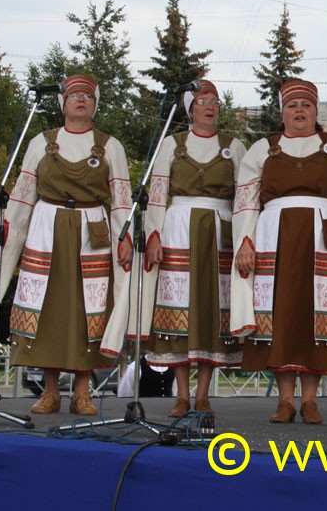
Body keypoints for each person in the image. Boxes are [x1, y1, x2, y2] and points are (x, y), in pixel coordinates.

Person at [0, 74, 132, 415]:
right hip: (47, 229)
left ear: (95, 104)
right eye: (74, 94)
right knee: (46, 311)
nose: (80, 100)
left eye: (87, 96)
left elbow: (121, 200)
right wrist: (4, 229)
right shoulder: (40, 142)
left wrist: (125, 238)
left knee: (87, 312)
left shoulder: (110, 145)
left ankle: (82, 393)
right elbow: (22, 194)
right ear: (63, 103)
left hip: (92, 233)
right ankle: (49, 392)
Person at [229, 78, 327, 424]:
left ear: (315, 111)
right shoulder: (263, 149)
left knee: (318, 316)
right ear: (283, 113)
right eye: (292, 105)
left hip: (323, 236)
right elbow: (246, 201)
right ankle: (285, 401)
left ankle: (310, 401)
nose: (299, 111)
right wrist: (245, 241)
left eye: (306, 105)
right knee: (281, 315)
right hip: (273, 237)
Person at [137, 80, 246, 420]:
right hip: (179, 226)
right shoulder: (172, 144)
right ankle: (181, 394)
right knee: (179, 307)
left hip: (221, 227)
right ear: (190, 109)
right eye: (202, 100)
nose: (210, 106)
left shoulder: (234, 147)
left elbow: (246, 197)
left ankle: (203, 395)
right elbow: (157, 193)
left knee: (212, 308)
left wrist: (245, 237)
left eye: (214, 101)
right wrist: (153, 234)